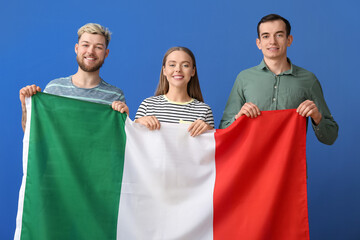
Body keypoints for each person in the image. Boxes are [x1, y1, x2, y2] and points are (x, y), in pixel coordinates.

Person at [219, 14, 338, 145]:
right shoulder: (244, 78)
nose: (272, 42)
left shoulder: (308, 80)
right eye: (266, 36)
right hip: (251, 163)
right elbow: (223, 130)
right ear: (259, 43)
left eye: (279, 35)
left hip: (290, 164)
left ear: (289, 40)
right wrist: (238, 118)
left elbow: (330, 137)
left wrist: (317, 117)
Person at [19, 23, 128, 131]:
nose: (90, 51)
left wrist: (126, 121)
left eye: (98, 47)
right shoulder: (54, 88)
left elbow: (121, 141)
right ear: (76, 48)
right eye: (85, 45)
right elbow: (33, 133)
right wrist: (25, 105)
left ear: (106, 53)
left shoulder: (115, 96)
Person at [135, 47, 214, 137]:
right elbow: (133, 141)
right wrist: (137, 124)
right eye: (172, 65)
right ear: (164, 70)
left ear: (193, 71)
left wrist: (209, 130)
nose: (178, 69)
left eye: (185, 65)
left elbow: (211, 147)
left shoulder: (204, 111)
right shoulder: (147, 105)